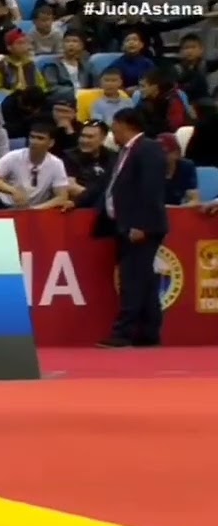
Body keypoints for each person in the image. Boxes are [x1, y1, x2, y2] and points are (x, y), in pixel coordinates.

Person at [95, 108, 169, 348]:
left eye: (114, 124)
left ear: (124, 124)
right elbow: (112, 187)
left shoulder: (148, 149)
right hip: (124, 226)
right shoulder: (125, 152)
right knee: (144, 281)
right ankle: (149, 332)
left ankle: (123, 333)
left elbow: (151, 190)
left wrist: (141, 225)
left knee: (132, 281)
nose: (111, 130)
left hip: (141, 227)